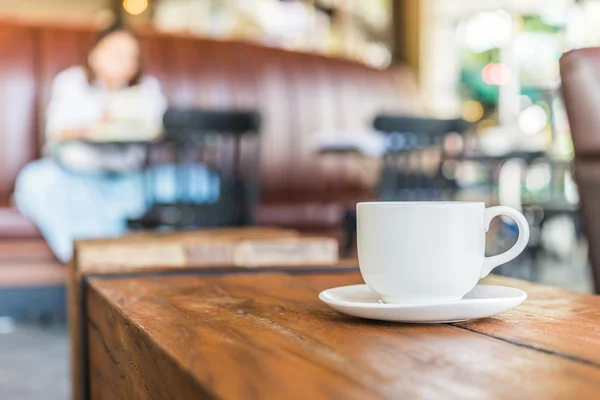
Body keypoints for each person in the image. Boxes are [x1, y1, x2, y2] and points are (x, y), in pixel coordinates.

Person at [14, 21, 217, 263]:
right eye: (114, 52)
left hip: (130, 179)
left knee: (201, 182)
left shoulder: (146, 90)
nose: (122, 61)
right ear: (94, 53)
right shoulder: (71, 82)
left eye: (131, 56)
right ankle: (93, 256)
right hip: (75, 178)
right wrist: (99, 125)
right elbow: (57, 132)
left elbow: (158, 131)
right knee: (34, 181)